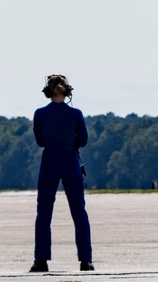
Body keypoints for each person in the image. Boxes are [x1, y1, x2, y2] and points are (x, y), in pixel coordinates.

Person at [30, 74, 93, 273]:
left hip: (50, 161)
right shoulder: (76, 114)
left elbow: (40, 141)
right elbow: (82, 140)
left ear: (48, 92)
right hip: (70, 160)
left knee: (44, 213)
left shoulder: (40, 114)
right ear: (67, 92)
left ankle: (41, 260)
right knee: (79, 212)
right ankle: (86, 260)